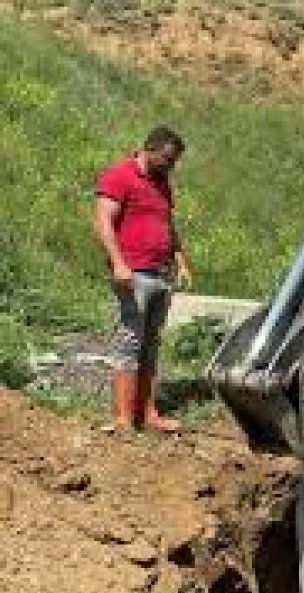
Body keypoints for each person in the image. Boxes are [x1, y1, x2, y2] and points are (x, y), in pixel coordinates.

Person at [94, 126, 193, 434]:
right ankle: (124, 419)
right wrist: (119, 264)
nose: (171, 166)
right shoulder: (119, 176)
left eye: (174, 161)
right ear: (148, 150)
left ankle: (148, 414)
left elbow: (167, 224)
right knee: (129, 343)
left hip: (161, 275)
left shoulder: (162, 183)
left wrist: (181, 260)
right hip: (133, 275)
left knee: (151, 346)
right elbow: (102, 221)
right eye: (167, 159)